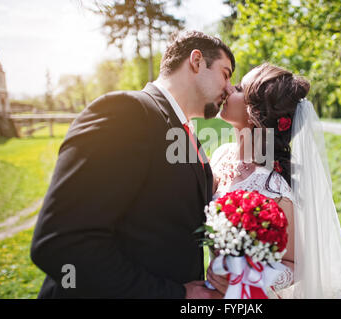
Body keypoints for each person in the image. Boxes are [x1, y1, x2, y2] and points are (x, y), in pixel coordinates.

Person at [30, 30, 235, 298]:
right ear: (196, 61)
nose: (230, 88)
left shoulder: (185, 134)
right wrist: (174, 295)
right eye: (226, 73)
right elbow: (62, 243)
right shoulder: (126, 113)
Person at [206, 63, 341, 298]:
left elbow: (299, 265)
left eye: (237, 88)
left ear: (254, 112)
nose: (227, 88)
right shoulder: (221, 154)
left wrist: (247, 280)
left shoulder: (273, 189)